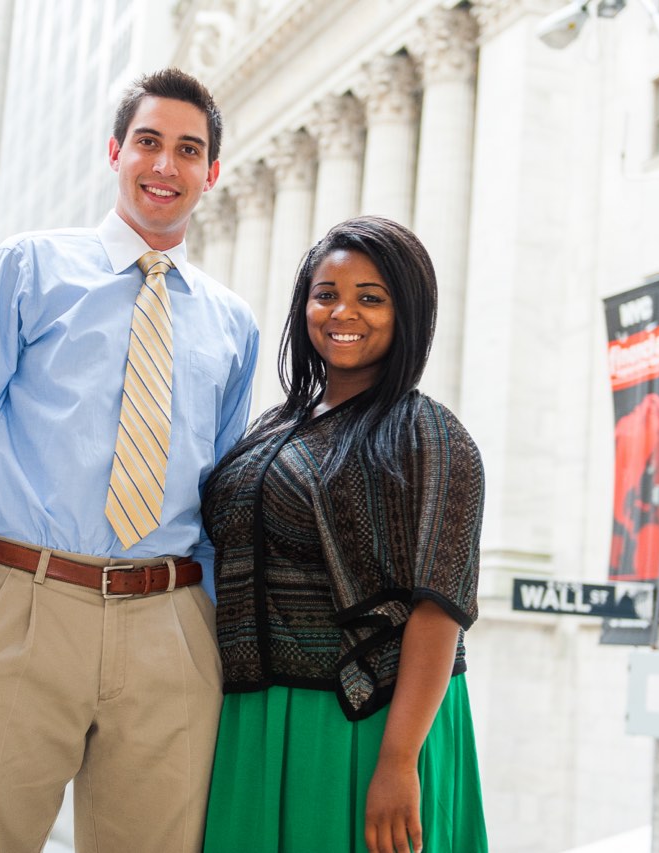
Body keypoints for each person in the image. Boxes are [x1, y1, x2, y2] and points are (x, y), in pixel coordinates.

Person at [0, 68, 259, 852]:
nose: (165, 165)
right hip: (22, 600)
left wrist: (211, 622)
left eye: (188, 150)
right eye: (149, 142)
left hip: (171, 621)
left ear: (212, 174)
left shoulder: (233, 323)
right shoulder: (32, 268)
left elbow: (224, 489)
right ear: (115, 150)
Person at [200, 216, 488, 853]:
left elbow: (440, 611)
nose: (343, 312)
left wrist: (397, 761)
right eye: (326, 294)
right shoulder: (278, 424)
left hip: (366, 723)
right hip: (255, 712)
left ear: (407, 312)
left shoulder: (431, 435)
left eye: (371, 297)